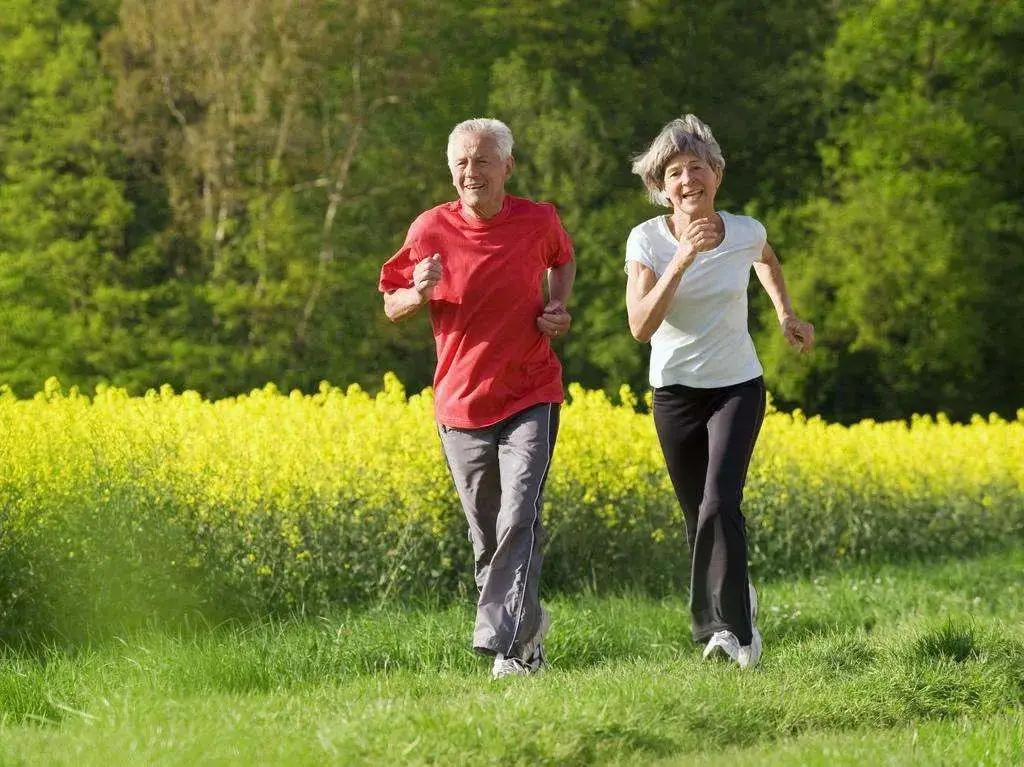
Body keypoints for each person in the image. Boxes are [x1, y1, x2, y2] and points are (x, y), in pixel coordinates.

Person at [379, 118, 576, 679]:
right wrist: (416, 291)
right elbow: (391, 303)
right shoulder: (429, 229)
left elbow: (563, 261)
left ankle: (505, 647)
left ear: (508, 167)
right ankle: (529, 630)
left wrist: (557, 307)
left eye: (483, 160)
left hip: (531, 391)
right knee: (488, 536)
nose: (472, 171)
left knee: (520, 514)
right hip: (461, 403)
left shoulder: (539, 220)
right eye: (463, 162)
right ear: (451, 170)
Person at [624, 114, 814, 669]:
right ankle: (739, 604)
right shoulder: (647, 241)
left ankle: (731, 635)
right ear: (662, 188)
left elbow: (767, 261)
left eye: (698, 167)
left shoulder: (746, 230)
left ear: (717, 176)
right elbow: (640, 326)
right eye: (676, 172)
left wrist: (786, 314)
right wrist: (683, 259)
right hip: (675, 395)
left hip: (737, 386)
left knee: (719, 503)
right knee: (698, 518)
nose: (689, 180)